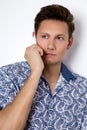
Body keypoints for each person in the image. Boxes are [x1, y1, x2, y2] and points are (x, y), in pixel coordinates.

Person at [0, 4, 87, 130]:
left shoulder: (83, 90)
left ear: (69, 43)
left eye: (59, 38)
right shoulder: (8, 76)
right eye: (45, 36)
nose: (51, 46)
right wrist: (36, 72)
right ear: (35, 37)